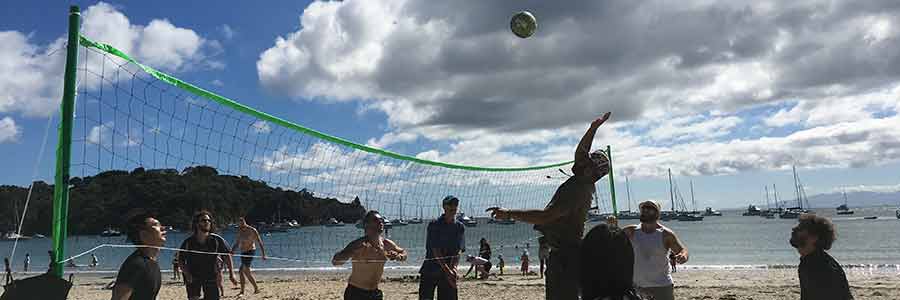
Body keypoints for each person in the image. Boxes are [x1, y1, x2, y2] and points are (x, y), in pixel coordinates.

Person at [487, 112, 612, 300]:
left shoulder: (577, 190)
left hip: (567, 257)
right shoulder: (583, 181)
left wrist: (510, 214)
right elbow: (581, 151)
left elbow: (547, 216)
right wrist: (592, 129)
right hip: (565, 254)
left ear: (589, 169)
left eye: (586, 160)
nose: (579, 159)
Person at [333, 210, 407, 300]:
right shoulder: (358, 244)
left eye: (381, 220)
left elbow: (403, 253)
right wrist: (352, 252)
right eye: (376, 220)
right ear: (366, 225)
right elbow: (335, 261)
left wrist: (399, 257)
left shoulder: (386, 243)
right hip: (356, 292)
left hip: (374, 293)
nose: (380, 222)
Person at [623, 200, 689, 300]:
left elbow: (682, 250)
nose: (645, 211)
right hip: (636, 287)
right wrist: (611, 225)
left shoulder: (666, 234)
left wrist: (683, 256)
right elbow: (612, 240)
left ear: (657, 214)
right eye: (643, 209)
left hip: (661, 287)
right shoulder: (631, 231)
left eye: (649, 208)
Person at [791, 214, 853, 300]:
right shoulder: (812, 260)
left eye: (800, 228)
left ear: (814, 237)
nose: (794, 230)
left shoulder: (817, 266)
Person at [178, 210, 237, 300]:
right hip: (193, 276)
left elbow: (226, 256)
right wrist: (187, 273)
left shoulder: (217, 240)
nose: (207, 222)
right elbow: (181, 260)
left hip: (211, 276)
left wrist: (231, 274)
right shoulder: (188, 242)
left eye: (209, 221)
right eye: (204, 220)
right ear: (197, 224)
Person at [111, 211, 166, 300]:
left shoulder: (151, 261)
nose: (163, 228)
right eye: (157, 225)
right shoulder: (136, 265)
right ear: (143, 235)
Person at [419, 195, 465, 300]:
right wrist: (448, 271)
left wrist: (453, 268)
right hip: (430, 269)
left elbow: (457, 250)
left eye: (455, 205)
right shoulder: (434, 224)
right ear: (444, 207)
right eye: (450, 204)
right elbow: (436, 251)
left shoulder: (459, 227)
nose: (453, 207)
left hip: (448, 268)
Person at [231, 216, 267, 296]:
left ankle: (248, 290)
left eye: (241, 225)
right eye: (239, 226)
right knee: (243, 272)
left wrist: (263, 254)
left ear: (244, 222)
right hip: (243, 252)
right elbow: (237, 243)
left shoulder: (252, 230)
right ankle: (251, 289)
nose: (240, 227)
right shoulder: (239, 231)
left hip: (250, 251)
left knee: (244, 271)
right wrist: (232, 251)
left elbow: (260, 242)